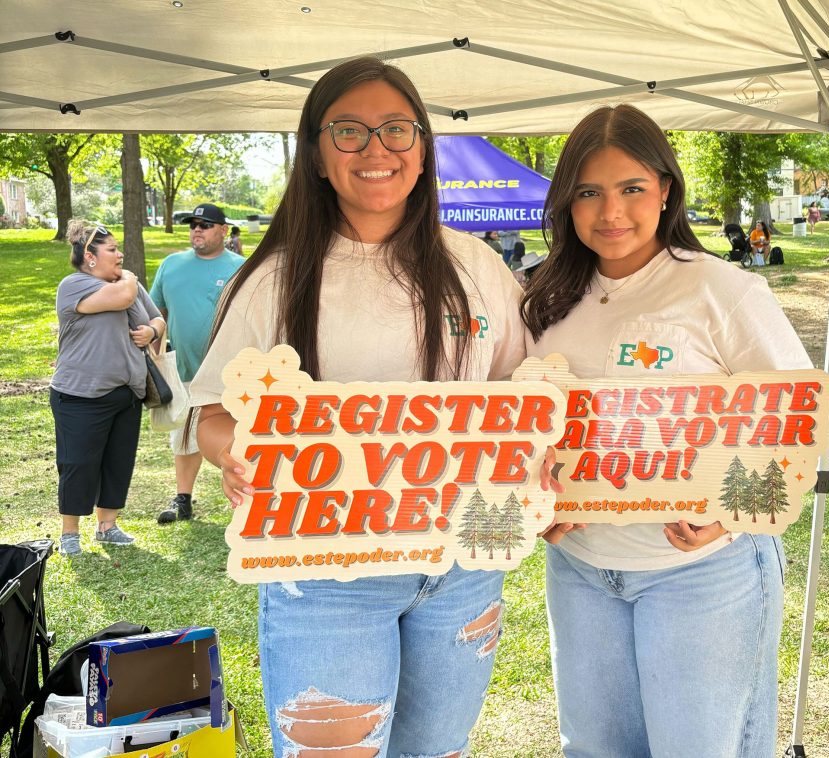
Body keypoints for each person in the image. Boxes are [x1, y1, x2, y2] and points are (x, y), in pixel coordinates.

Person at [187, 57, 527, 757]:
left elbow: (524, 397)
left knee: (437, 750)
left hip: (463, 566)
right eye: (349, 131)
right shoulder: (270, 281)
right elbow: (213, 413)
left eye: (397, 129)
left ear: (425, 148)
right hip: (324, 573)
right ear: (315, 153)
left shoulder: (479, 268)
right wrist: (240, 453)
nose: (377, 149)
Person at [520, 104, 811, 757]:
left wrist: (734, 518)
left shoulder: (719, 290)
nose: (610, 212)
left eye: (631, 189)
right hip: (582, 569)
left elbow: (795, 419)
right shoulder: (541, 299)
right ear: (566, 201)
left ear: (666, 191)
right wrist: (532, 507)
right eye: (589, 192)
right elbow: (520, 433)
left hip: (701, 572)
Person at [50, 221, 166, 557]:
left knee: (118, 462)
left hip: (126, 392)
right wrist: (128, 276)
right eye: (112, 249)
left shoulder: (124, 284)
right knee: (77, 462)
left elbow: (157, 317)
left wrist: (152, 333)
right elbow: (124, 296)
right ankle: (70, 534)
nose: (119, 255)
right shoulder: (74, 286)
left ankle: (107, 526)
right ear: (89, 256)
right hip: (79, 395)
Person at [149, 203, 245, 524]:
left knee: (237, 434)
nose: (197, 230)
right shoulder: (171, 265)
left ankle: (247, 496)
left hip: (231, 374)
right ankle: (183, 499)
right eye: (193, 225)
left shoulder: (242, 267)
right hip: (185, 369)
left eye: (205, 225)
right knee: (183, 436)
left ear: (222, 230)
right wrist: (152, 348)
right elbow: (156, 313)